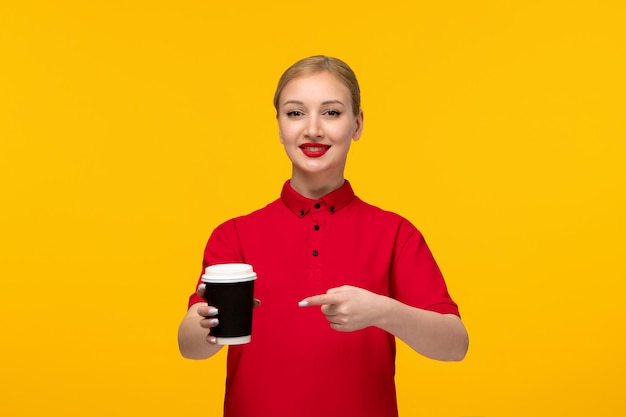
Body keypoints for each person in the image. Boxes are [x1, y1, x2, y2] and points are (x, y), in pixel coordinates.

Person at [178, 55, 468, 417]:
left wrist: (382, 310)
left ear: (357, 124)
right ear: (279, 126)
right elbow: (191, 347)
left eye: (331, 113)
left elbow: (455, 345)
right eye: (295, 113)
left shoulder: (395, 234)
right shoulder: (234, 234)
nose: (312, 129)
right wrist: (204, 321)